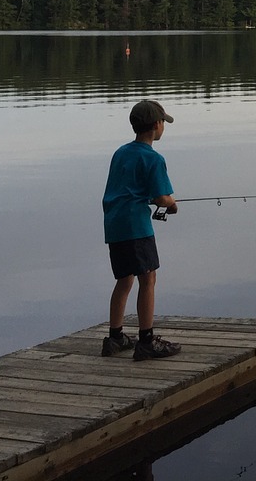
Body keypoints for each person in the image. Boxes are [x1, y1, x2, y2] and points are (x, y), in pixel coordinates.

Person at [102, 99, 183, 361]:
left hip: (115, 224)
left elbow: (127, 188)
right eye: (163, 123)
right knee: (148, 278)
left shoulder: (120, 153)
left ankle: (115, 338)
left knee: (125, 279)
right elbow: (161, 197)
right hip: (137, 226)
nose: (164, 128)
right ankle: (146, 341)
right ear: (157, 125)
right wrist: (172, 205)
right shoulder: (154, 158)